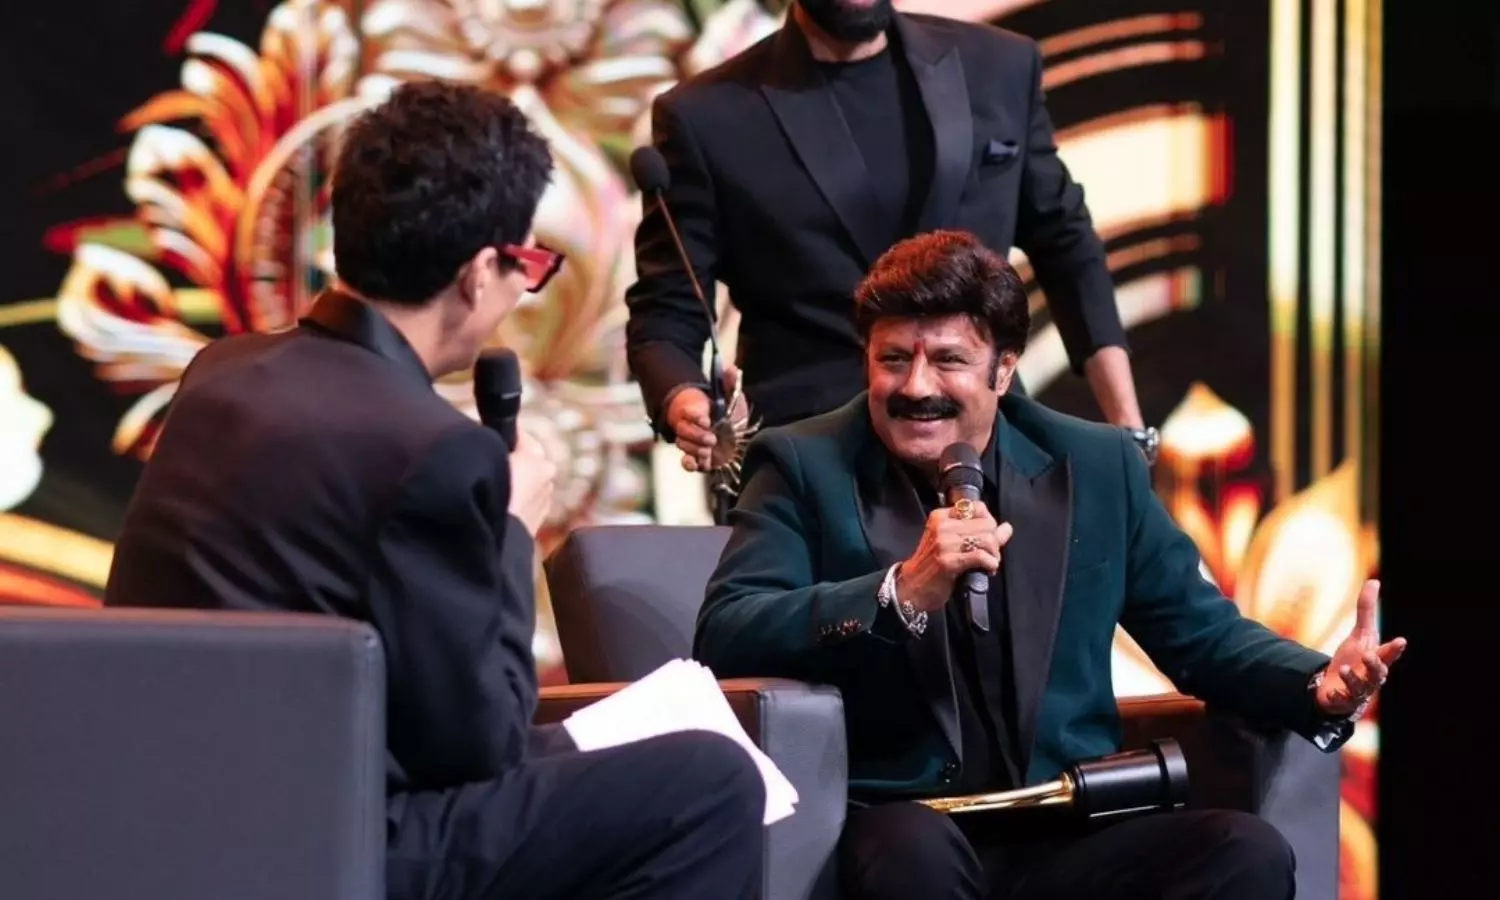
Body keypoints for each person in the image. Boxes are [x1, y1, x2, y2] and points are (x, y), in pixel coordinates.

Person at [104, 81, 765, 900]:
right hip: (332, 834)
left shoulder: (222, 371)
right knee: (710, 782)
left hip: (166, 811)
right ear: (480, 272)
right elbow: (479, 744)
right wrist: (512, 529)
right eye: (529, 265)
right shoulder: (432, 449)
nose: (522, 290)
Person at [695, 229, 1405, 900]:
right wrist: (897, 594)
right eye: (893, 359)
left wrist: (1316, 683)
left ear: (1004, 369)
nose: (916, 386)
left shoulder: (1095, 466)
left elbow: (1202, 635)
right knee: (913, 853)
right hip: (907, 821)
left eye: (948, 360)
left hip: (1067, 817)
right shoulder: (804, 464)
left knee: (1244, 853)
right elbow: (728, 631)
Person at [626, 0, 1151, 478]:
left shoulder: (998, 67)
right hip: (808, 466)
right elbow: (667, 311)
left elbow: (1066, 245)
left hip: (988, 448)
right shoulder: (708, 116)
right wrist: (685, 401)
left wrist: (1129, 432)